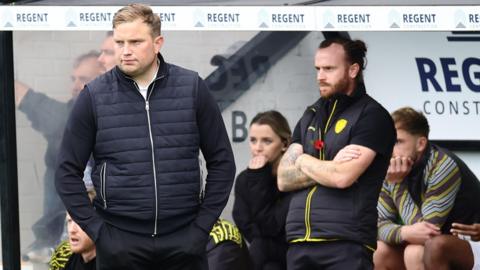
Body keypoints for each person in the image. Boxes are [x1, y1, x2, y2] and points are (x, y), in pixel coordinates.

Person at [55, 3, 235, 270]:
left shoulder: (192, 88)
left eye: (136, 42)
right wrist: (101, 234)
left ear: (157, 42)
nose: (125, 50)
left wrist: (201, 227)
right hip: (120, 243)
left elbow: (222, 162)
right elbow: (66, 172)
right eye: (119, 42)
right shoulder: (94, 96)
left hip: (184, 240)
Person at [276, 37, 396, 270]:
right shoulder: (311, 114)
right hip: (299, 242)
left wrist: (301, 160)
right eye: (318, 69)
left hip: (346, 243)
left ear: (353, 70)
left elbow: (342, 177)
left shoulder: (372, 115)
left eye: (329, 68)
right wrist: (328, 165)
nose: (320, 76)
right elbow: (282, 178)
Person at [17, 51, 104, 263]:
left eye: (83, 79)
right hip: (56, 239)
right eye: (73, 79)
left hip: (94, 243)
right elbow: (31, 103)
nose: (75, 85)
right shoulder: (67, 117)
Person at [375, 107, 480, 270]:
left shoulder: (442, 165)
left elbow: (427, 232)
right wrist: (404, 233)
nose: (390, 149)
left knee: (415, 251)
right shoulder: (392, 166)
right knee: (379, 251)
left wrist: (397, 184)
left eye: (397, 142)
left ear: (421, 144)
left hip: (469, 244)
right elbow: (377, 225)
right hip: (435, 244)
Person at [232, 110, 292, 270]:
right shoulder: (245, 179)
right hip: (264, 255)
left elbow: (272, 225)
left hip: (292, 251)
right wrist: (257, 177)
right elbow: (243, 222)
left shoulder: (294, 179)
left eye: (266, 141)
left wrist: (258, 179)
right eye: (253, 140)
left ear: (285, 144)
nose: (257, 148)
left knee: (261, 246)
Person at [49, 190, 97, 270]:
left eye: (79, 222)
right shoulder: (74, 258)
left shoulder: (113, 263)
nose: (72, 230)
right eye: (69, 221)